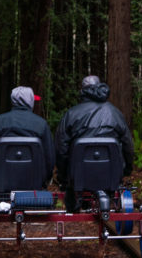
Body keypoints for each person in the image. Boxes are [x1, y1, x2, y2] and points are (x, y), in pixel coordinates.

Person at [54, 75, 134, 209]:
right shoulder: (115, 113)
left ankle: (74, 204)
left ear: (82, 90)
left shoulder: (72, 114)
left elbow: (61, 149)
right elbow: (128, 145)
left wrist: (63, 177)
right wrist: (126, 170)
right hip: (111, 173)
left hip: (78, 175)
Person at [0, 86, 55, 188]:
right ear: (30, 101)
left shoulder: (0, 121)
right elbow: (49, 156)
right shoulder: (41, 124)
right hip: (34, 181)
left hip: (2, 180)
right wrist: (47, 177)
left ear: (13, 100)